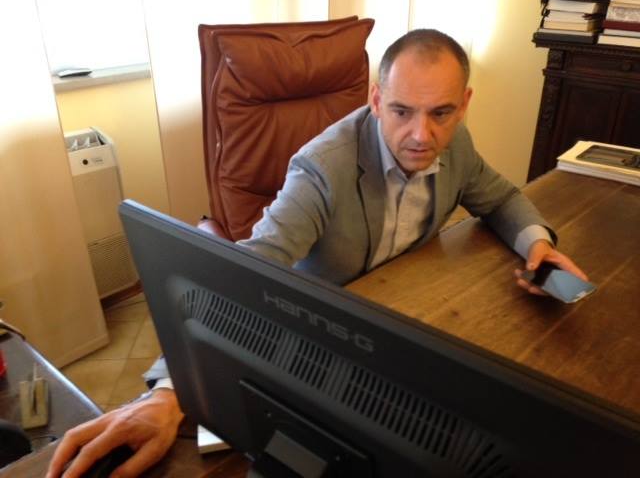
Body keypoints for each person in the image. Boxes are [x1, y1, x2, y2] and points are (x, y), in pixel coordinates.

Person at [46, 29, 587, 478]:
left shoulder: (457, 143)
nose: (422, 135)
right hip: (324, 337)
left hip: (407, 319)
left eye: (441, 113)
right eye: (401, 111)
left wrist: (538, 245)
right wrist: (170, 392)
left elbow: (502, 198)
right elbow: (250, 267)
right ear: (376, 100)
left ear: (463, 105)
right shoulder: (322, 167)